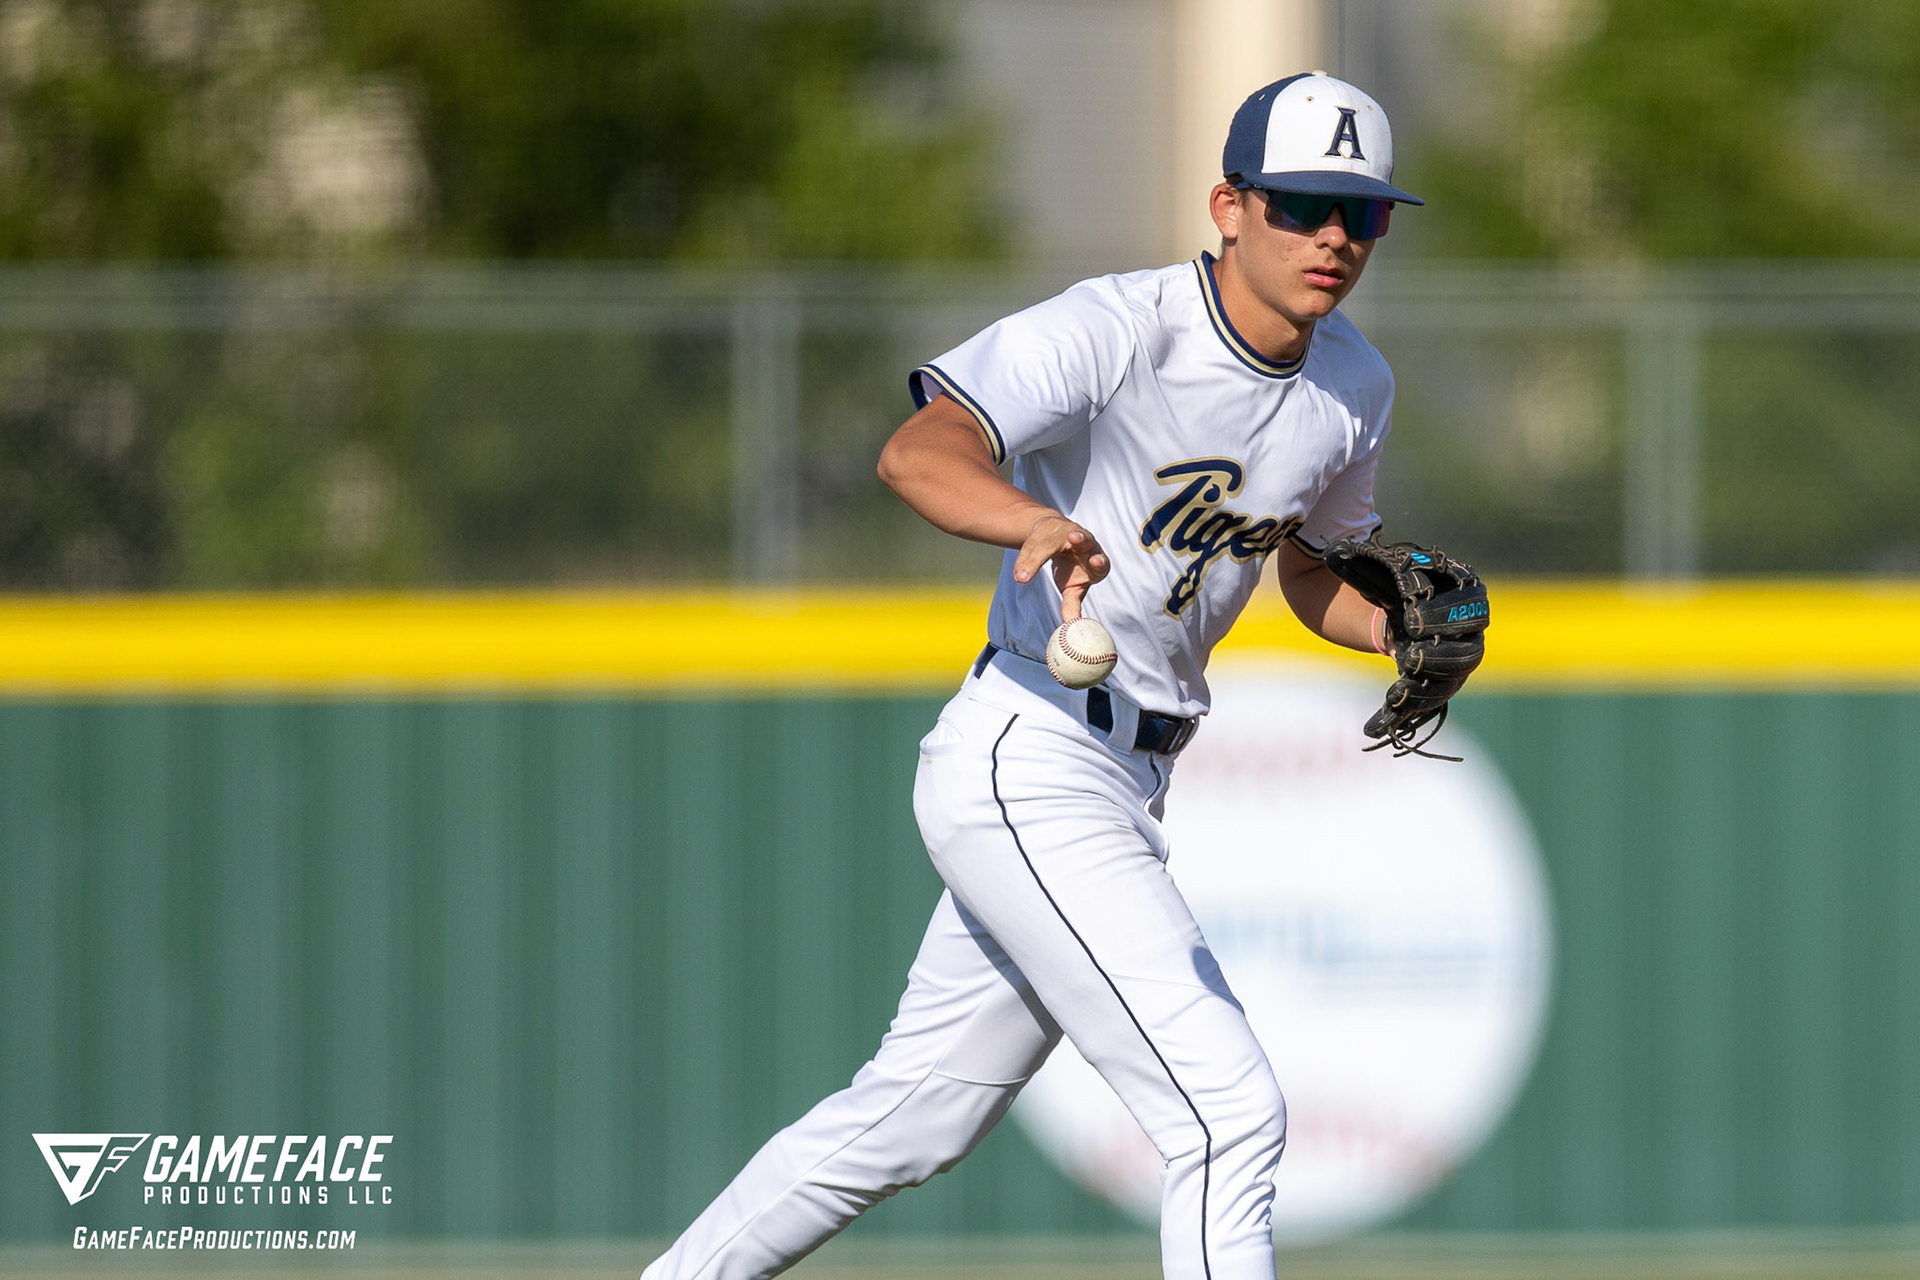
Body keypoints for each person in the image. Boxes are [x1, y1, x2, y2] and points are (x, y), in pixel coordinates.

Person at [643, 72, 1422, 1280]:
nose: (1333, 236)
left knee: (911, 1117)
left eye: (1360, 212)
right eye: (1301, 204)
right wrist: (1028, 518)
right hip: (1031, 749)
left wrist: (1395, 633)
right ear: (1229, 205)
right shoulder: (1122, 327)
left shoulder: (1352, 386)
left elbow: (1310, 567)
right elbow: (920, 450)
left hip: (1131, 774)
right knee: (1227, 1111)